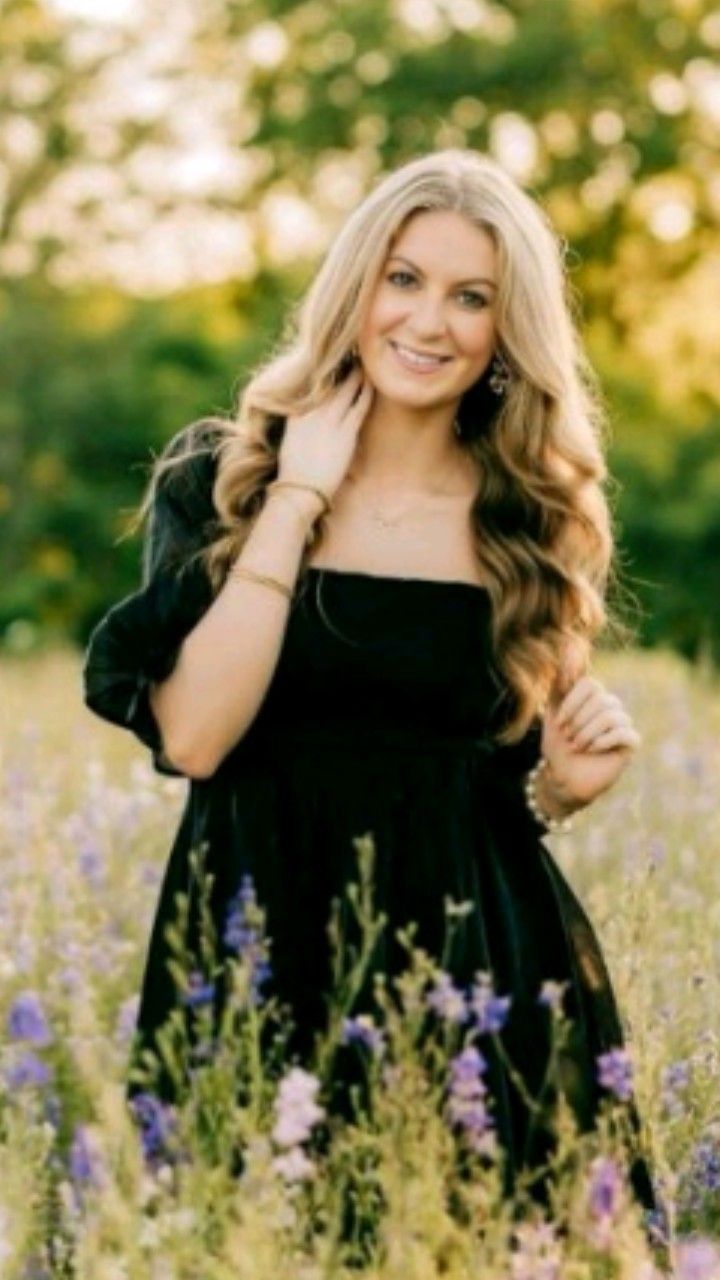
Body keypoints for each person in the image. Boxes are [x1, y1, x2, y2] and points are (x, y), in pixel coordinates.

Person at [82, 148, 658, 1220]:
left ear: (505, 330)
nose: (429, 321)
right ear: (357, 287)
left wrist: (559, 793)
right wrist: (298, 496)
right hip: (252, 955)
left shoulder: (528, 521)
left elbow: (485, 800)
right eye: (404, 278)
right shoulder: (225, 480)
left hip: (466, 978)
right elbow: (197, 737)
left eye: (471, 296)